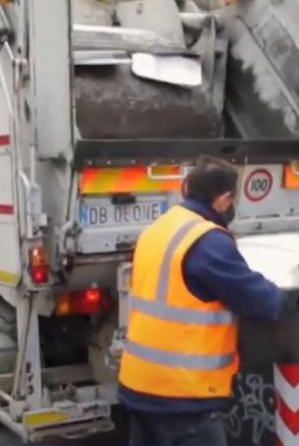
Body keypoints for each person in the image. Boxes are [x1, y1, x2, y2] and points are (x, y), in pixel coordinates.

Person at [118, 155, 285, 446]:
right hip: (183, 395)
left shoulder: (158, 229)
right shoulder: (207, 241)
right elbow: (264, 302)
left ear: (185, 189)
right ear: (224, 200)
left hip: (140, 384)